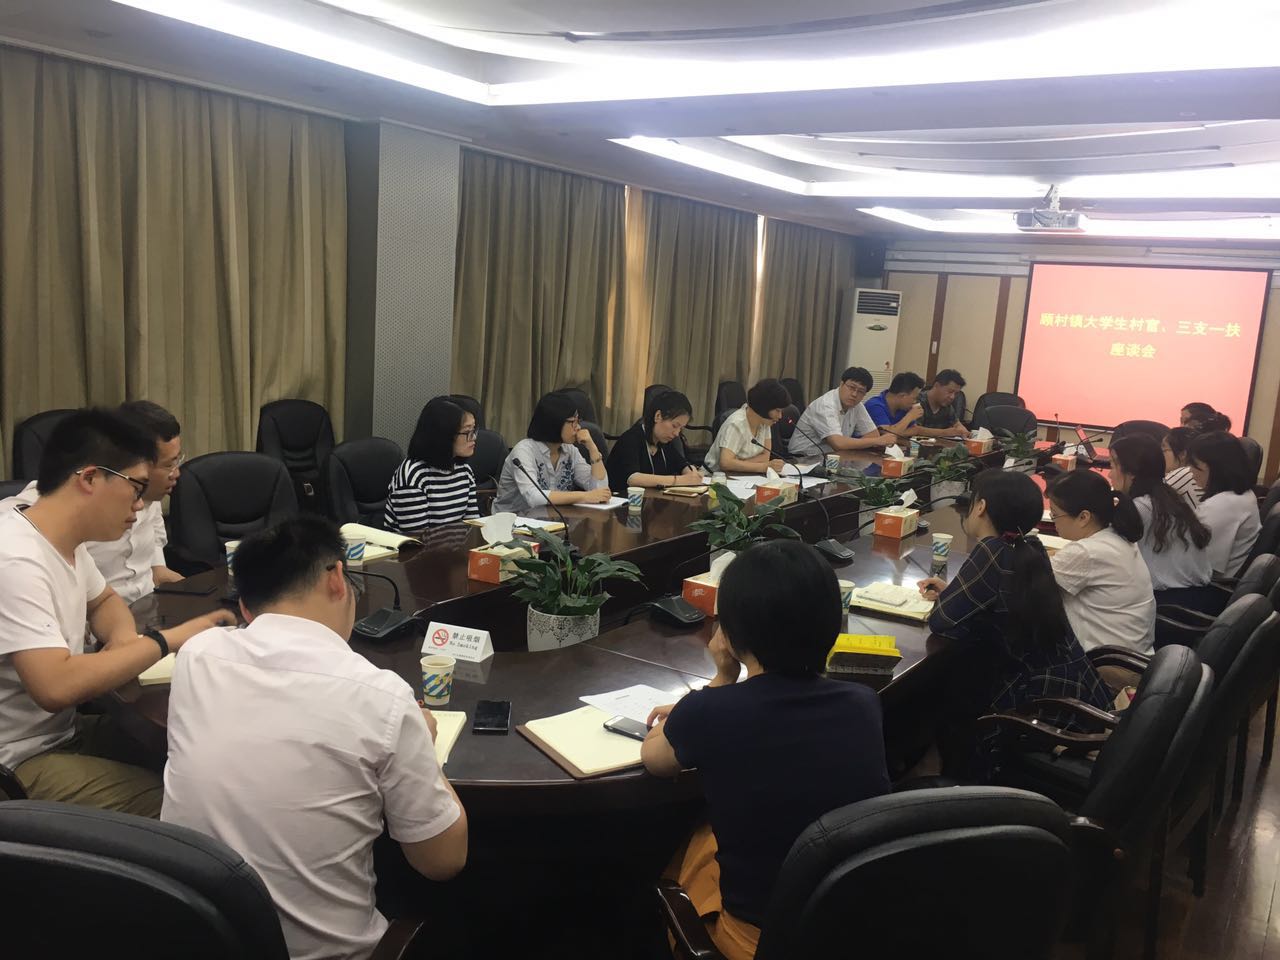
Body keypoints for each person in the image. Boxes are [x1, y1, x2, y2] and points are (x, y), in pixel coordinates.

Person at [163, 515, 467, 960]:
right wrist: (424, 742)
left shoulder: (197, 656)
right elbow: (443, 861)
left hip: (198, 937)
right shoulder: (380, 696)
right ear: (338, 578)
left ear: (245, 608)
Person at [642, 540, 890, 959]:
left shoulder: (710, 711)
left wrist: (721, 679)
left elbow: (655, 759)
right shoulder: (863, 703)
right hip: (851, 927)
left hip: (760, 943)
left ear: (730, 633)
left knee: (685, 851)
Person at [0, 409, 234, 815]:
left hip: (61, 733)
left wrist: (124, 643)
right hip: (17, 760)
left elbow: (105, 601)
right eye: (136, 488)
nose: (141, 505)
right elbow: (54, 686)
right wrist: (166, 641)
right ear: (90, 478)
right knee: (188, 803)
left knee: (199, 754)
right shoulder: (15, 558)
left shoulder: (63, 541)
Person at [917, 469, 1111, 779]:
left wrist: (951, 597)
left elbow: (943, 620)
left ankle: (956, 782)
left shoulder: (991, 551)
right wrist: (954, 591)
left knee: (950, 693)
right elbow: (1001, 600)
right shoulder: (1030, 547)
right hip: (1071, 687)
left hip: (1039, 706)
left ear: (981, 507)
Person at [1, 400, 186, 603]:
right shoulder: (58, 506)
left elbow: (152, 568)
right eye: (169, 465)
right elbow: (12, 523)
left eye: (177, 461)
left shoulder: (152, 496)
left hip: (142, 607)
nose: (176, 473)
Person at [1045, 470, 1156, 654]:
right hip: (1134, 654)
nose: (1053, 521)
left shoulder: (1086, 552)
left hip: (1104, 663)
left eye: (1055, 515)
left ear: (1083, 517)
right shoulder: (1116, 535)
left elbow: (1032, 582)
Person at [1109, 435, 1214, 609]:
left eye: (1113, 466)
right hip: (1197, 597)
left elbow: (1106, 554)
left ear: (1132, 473)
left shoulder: (1140, 508)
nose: (1109, 474)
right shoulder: (1166, 497)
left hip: (1171, 607)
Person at [494, 391, 611, 513]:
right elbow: (533, 497)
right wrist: (584, 496)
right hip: (512, 520)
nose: (578, 427)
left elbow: (600, 491)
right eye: (573, 422)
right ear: (555, 422)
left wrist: (592, 448)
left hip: (551, 519)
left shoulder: (570, 451)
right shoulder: (524, 451)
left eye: (578, 421)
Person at [384, 397, 480, 532]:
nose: (474, 437)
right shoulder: (412, 477)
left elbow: (472, 526)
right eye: (467, 432)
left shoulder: (464, 471)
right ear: (443, 435)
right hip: (415, 545)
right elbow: (417, 539)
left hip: (453, 545)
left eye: (474, 430)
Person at [1189, 430, 1261, 577]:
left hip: (1208, 585)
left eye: (1195, 465)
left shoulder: (1221, 506)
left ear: (1215, 467)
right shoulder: (1242, 494)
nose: (1191, 472)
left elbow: (1200, 567)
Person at [605, 389, 703, 493]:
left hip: (652, 499)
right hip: (621, 499)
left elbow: (681, 464)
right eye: (674, 426)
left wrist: (690, 472)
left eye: (681, 428)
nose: (676, 433)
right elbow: (633, 478)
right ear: (658, 416)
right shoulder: (631, 438)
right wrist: (679, 480)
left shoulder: (665, 442)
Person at [788, 366, 891, 456]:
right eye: (851, 387)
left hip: (832, 457)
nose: (854, 394)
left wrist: (872, 441)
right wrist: (876, 441)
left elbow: (873, 435)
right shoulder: (826, 405)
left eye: (860, 391)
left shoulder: (857, 405)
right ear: (841, 384)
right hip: (803, 458)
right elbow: (838, 443)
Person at [704, 378, 790, 475]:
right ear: (764, 407)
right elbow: (726, 463)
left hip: (743, 476)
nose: (780, 416)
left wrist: (738, 464)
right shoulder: (736, 423)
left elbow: (765, 456)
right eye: (777, 411)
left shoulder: (765, 422)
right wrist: (764, 467)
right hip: (714, 477)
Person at [863, 371, 925, 436]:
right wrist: (910, 416)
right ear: (902, 396)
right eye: (914, 398)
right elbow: (888, 435)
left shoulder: (904, 408)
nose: (915, 402)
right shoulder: (874, 406)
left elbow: (914, 430)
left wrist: (896, 431)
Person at [914, 369, 969, 437]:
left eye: (956, 393)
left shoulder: (947, 405)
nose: (952, 397)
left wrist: (963, 431)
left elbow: (957, 424)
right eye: (950, 391)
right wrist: (944, 432)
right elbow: (913, 429)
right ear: (936, 385)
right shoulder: (917, 401)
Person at [1162, 426, 1204, 509]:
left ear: (1182, 454)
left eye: (1164, 450)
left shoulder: (1185, 473)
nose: (1161, 455)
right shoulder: (1199, 471)